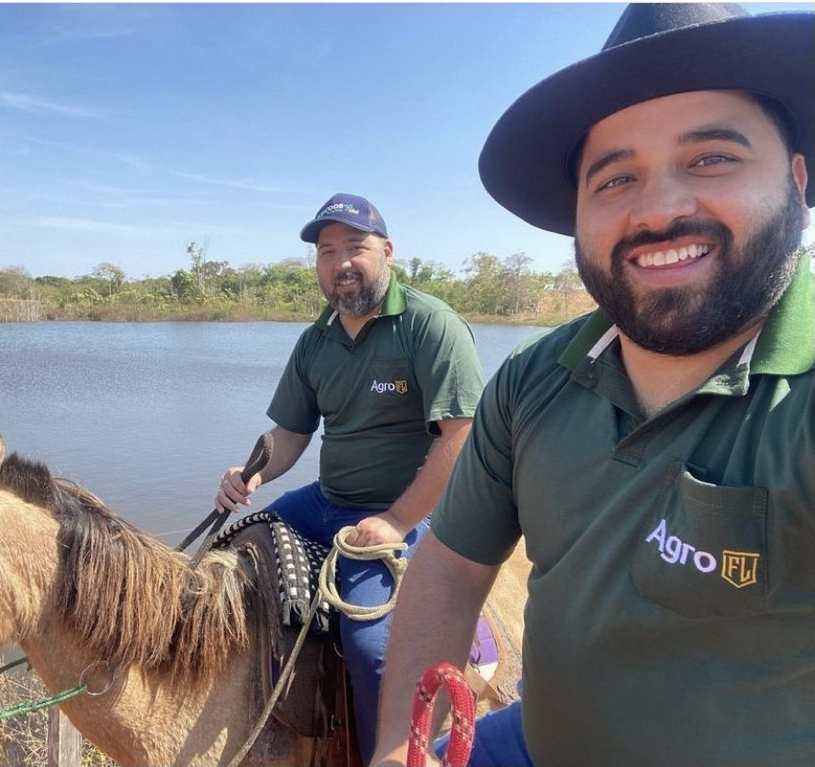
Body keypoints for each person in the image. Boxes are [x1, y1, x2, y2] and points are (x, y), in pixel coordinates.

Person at [371, 4, 814, 767]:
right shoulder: (532, 381)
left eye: (711, 157)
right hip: (533, 743)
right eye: (615, 177)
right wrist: (397, 752)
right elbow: (448, 561)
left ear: (797, 180)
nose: (659, 208)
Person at [215, 192, 484, 764]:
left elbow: (460, 439)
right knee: (230, 551)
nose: (340, 262)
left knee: (369, 649)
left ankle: (385, 755)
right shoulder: (316, 340)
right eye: (327, 250)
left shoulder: (429, 325)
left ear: (386, 251)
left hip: (410, 509)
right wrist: (251, 474)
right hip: (326, 500)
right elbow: (288, 436)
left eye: (355, 247)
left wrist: (396, 520)